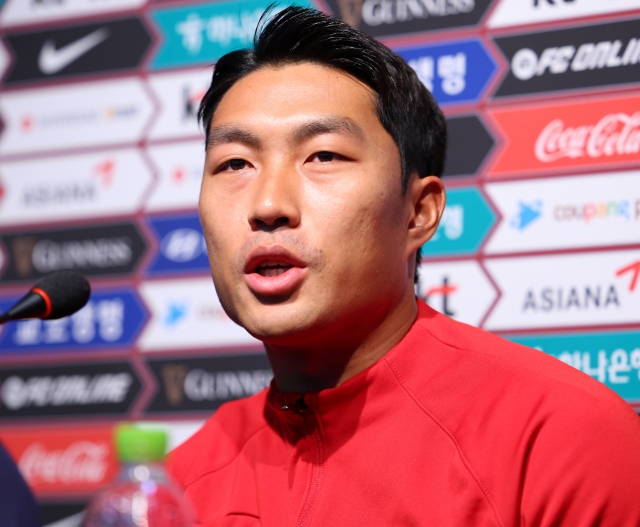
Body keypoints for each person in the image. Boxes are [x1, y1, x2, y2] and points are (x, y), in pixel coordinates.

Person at [167, 6, 640, 526]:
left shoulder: (557, 439)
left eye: (323, 156)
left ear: (420, 212)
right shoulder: (178, 488)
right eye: (235, 163)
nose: (267, 204)